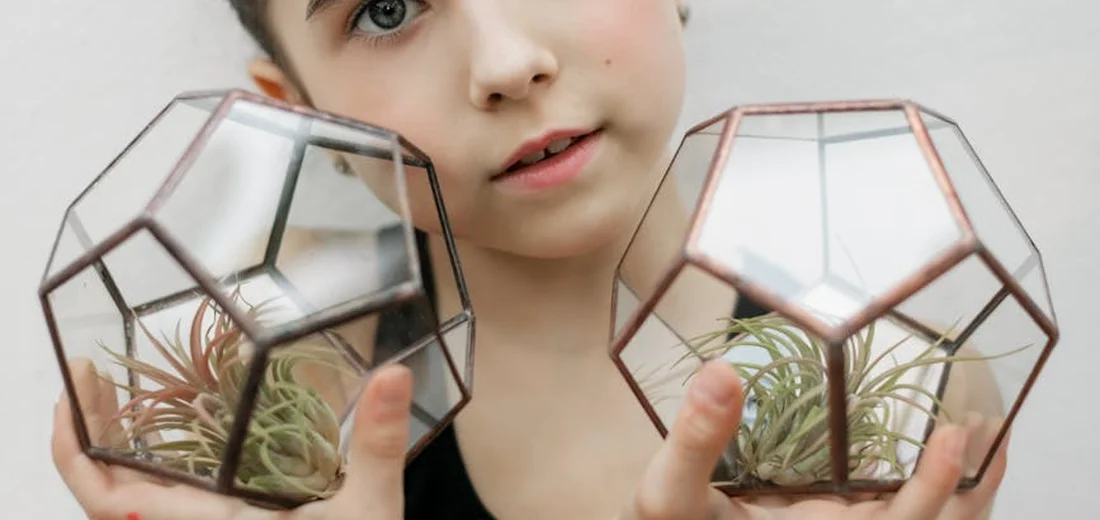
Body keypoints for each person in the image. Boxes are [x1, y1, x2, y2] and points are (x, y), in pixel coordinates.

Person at [51, 1, 1012, 519]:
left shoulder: (903, 388)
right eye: (387, 9)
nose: (507, 63)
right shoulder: (284, 411)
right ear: (302, 114)